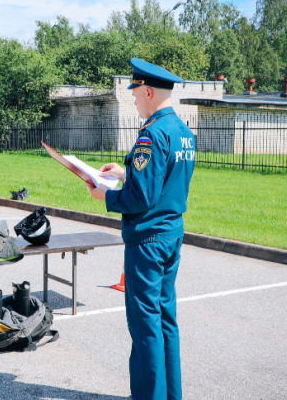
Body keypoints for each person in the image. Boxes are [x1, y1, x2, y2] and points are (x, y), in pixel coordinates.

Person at [88, 58, 196, 400]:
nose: (133, 99)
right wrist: (125, 173)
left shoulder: (151, 134)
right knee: (166, 322)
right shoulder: (183, 132)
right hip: (170, 234)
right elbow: (163, 181)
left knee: (145, 326)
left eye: (135, 92)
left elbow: (141, 198)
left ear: (148, 91)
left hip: (147, 240)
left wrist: (107, 194)